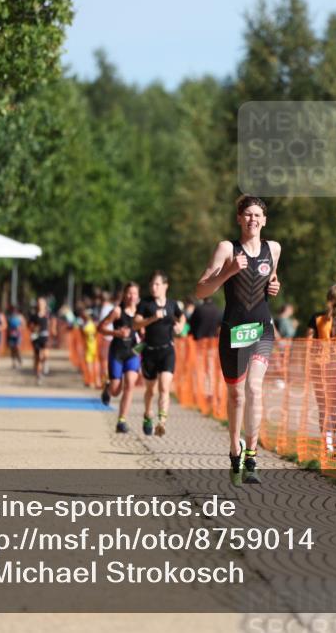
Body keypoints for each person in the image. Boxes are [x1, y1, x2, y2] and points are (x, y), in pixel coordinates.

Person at [195, 195, 281, 485]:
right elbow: (201, 290)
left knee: (255, 388)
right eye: (247, 215)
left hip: (261, 328)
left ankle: (253, 456)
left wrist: (275, 286)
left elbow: (269, 281)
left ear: (265, 220)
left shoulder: (274, 249)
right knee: (236, 395)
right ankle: (235, 450)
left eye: (257, 215)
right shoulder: (226, 248)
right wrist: (230, 271)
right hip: (233, 330)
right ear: (238, 219)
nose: (252, 220)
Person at [134, 271, 186, 436]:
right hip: (149, 352)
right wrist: (151, 319)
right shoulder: (145, 303)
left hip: (167, 351)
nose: (153, 287)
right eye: (151, 284)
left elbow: (182, 316)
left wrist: (180, 326)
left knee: (165, 387)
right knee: (151, 391)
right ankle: (147, 414)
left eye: (157, 284)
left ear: (165, 286)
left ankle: (162, 422)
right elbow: (135, 324)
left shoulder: (172, 304)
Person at [306, 284, 336, 454]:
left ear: (328, 298)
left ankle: (326, 444)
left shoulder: (317, 319)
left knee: (323, 406)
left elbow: (308, 342)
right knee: (335, 406)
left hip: (319, 365)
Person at [100, 282, 143, 433]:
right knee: (116, 390)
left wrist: (144, 341)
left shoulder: (140, 312)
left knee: (130, 384)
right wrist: (116, 333)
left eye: (135, 294)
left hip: (132, 353)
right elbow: (101, 328)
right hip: (117, 352)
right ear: (124, 295)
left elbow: (144, 333)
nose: (132, 297)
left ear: (138, 296)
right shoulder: (117, 311)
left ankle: (121, 421)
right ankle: (108, 387)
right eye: (129, 293)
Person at [28, 297, 50, 385]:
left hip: (44, 336)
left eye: (42, 303)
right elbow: (29, 325)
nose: (40, 305)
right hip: (36, 337)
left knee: (45, 355)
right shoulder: (34, 315)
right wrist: (33, 328)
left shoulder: (47, 314)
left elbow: (51, 323)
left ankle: (45, 364)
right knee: (38, 357)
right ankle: (38, 375)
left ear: (45, 305)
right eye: (39, 303)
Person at [81, 310, 100, 389]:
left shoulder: (87, 326)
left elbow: (83, 332)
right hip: (95, 346)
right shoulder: (94, 325)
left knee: (90, 365)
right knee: (95, 365)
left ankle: (91, 381)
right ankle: (95, 381)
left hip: (90, 347)